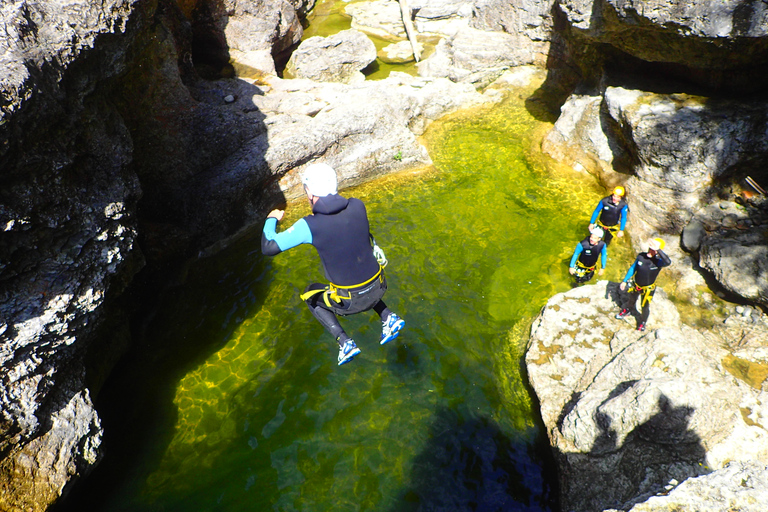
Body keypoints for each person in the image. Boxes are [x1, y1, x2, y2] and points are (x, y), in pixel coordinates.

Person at [261, 163, 405, 366]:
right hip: (380, 286)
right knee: (357, 268)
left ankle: (345, 342)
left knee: (310, 294)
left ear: (309, 192)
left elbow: (268, 247)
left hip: (350, 302)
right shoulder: (357, 205)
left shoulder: (309, 225)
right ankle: (387, 316)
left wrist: (271, 220)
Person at [615, 238, 671, 332]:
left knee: (644, 306)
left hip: (648, 289)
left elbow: (668, 262)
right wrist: (624, 281)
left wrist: (658, 249)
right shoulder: (641, 256)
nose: (650, 251)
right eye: (650, 248)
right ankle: (627, 310)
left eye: (653, 250)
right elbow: (633, 268)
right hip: (636, 284)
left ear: (657, 251)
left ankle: (643, 321)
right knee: (631, 299)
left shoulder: (658, 262)